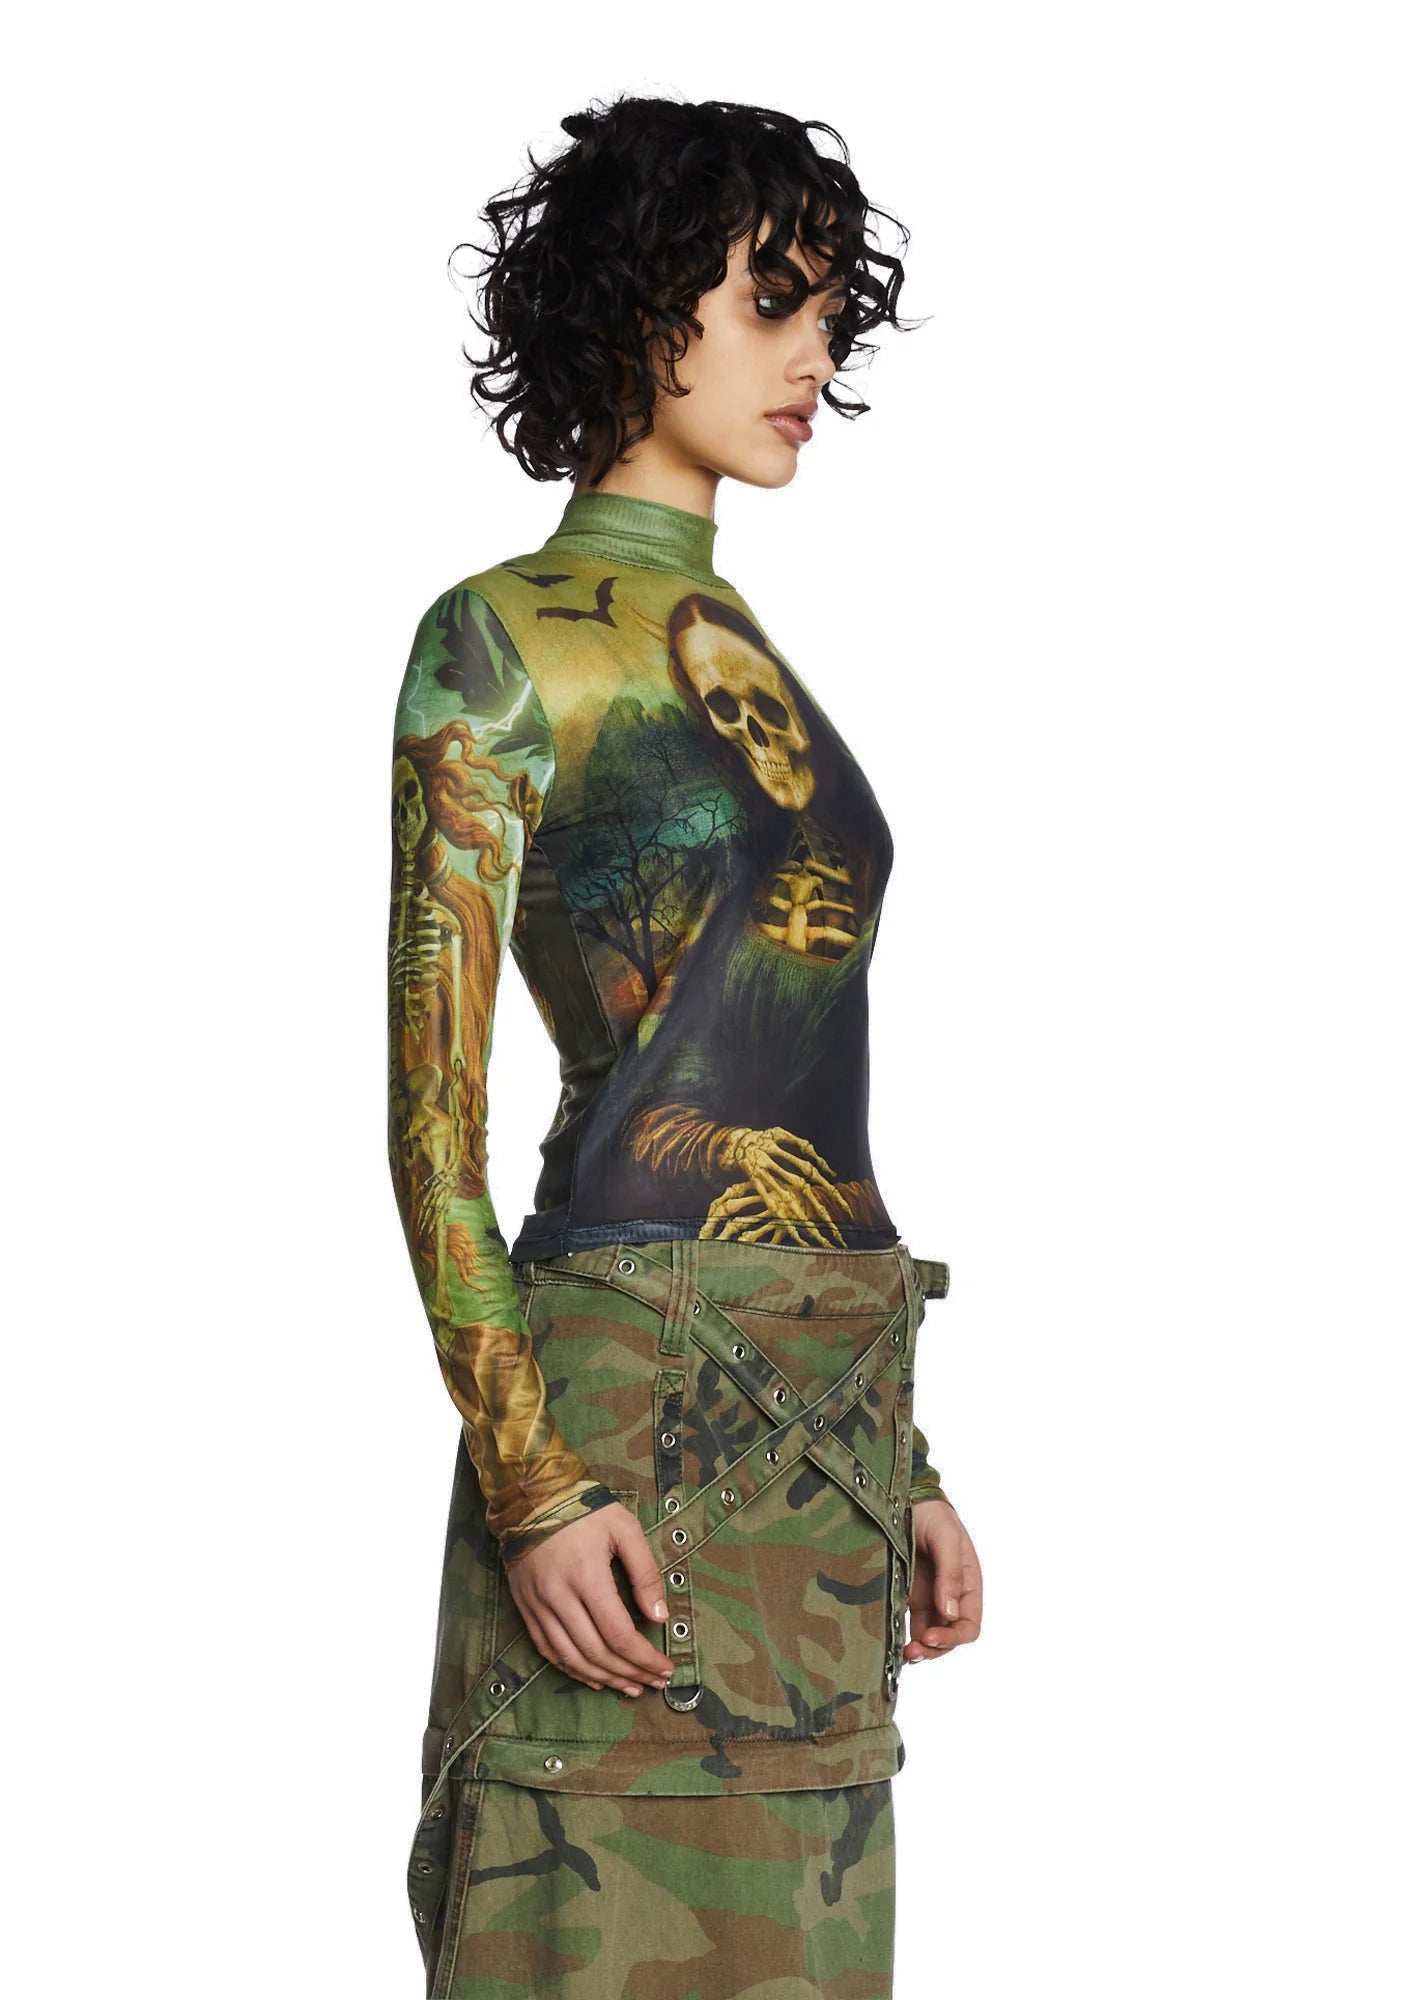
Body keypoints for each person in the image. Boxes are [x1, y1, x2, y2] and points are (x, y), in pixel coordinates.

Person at [388, 93, 983, 1999]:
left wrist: (902, 1458)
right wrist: (529, 1475)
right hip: (617, 1415)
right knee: (566, 1937)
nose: (815, 356)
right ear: (641, 308)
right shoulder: (501, 640)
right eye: (771, 302)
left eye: (830, 314)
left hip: (822, 1415)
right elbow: (431, 1122)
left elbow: (791, 1074)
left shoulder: (750, 655)